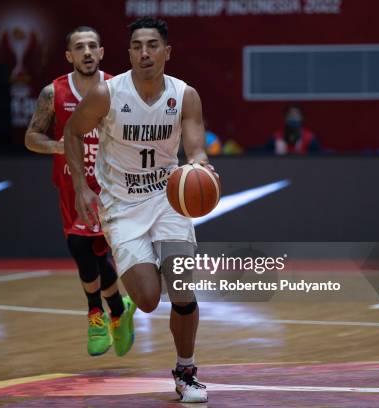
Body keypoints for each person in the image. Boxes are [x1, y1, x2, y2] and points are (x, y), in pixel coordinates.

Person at [64, 17, 215, 403]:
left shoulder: (185, 95)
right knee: (149, 299)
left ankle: (186, 372)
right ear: (129, 52)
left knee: (182, 288)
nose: (144, 52)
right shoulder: (106, 93)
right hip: (121, 205)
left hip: (168, 199)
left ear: (167, 51)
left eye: (152, 45)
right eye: (136, 46)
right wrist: (81, 185)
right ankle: (133, 292)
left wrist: (200, 165)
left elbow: (195, 146)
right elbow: (73, 132)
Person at [24, 26, 135, 357]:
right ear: (69, 56)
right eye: (79, 47)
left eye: (92, 46)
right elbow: (31, 137)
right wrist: (59, 146)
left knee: (92, 249)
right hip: (72, 184)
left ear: (101, 52)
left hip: (110, 187)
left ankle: (97, 312)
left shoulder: (118, 88)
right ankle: (115, 309)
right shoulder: (53, 93)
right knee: (83, 247)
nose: (86, 52)